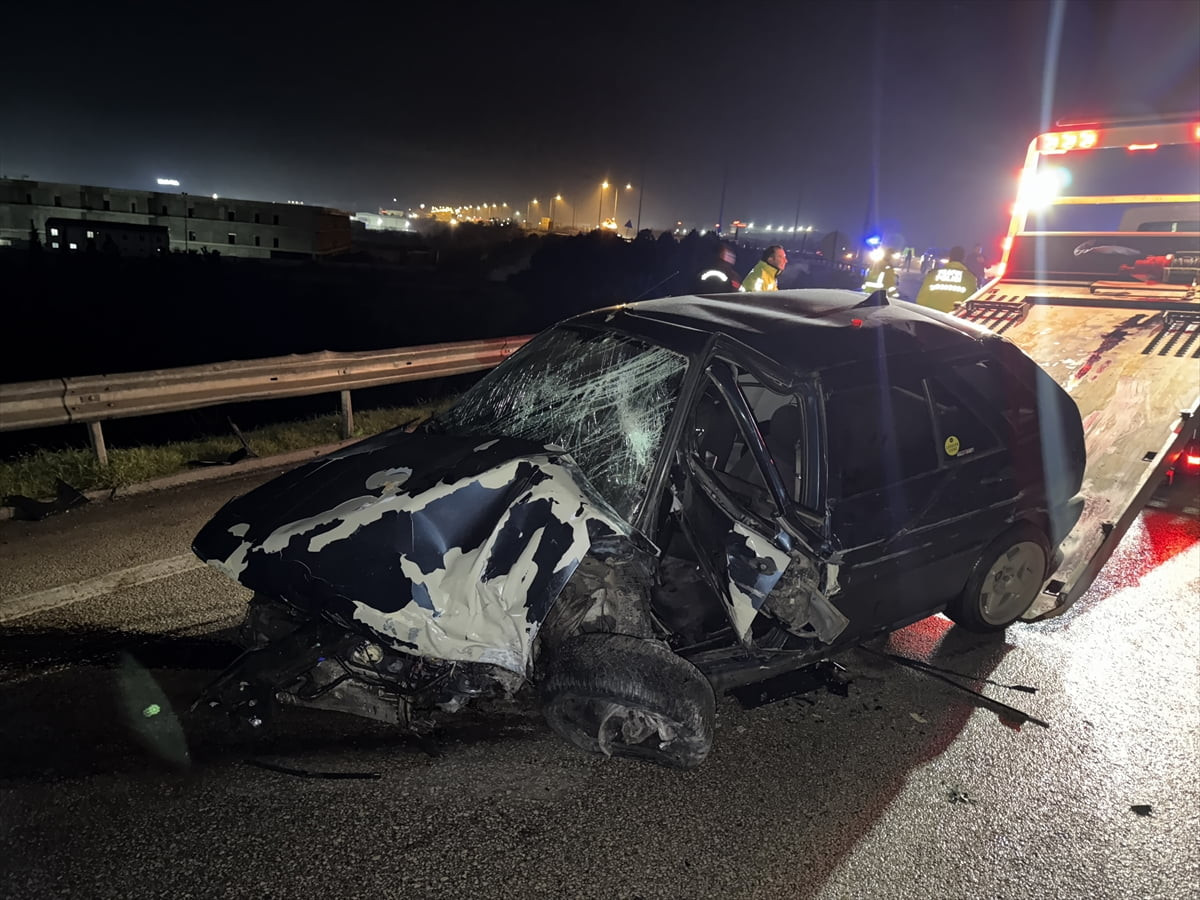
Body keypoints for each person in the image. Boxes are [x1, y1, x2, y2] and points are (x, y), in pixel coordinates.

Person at [914, 245, 978, 312]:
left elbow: (920, 300)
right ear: (963, 259)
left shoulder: (932, 274)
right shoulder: (970, 278)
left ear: (950, 257)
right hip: (954, 317)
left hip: (930, 315)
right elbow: (972, 304)